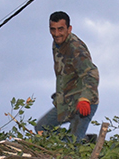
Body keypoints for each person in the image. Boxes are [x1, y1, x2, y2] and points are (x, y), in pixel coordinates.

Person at [35, 11, 100, 142]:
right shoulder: (57, 44)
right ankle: (85, 142)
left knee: (73, 145)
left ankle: (82, 143)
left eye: (60, 29)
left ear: (69, 29)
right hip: (67, 102)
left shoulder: (76, 48)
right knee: (42, 128)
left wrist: (85, 99)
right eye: (53, 29)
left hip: (83, 103)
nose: (56, 33)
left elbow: (91, 73)